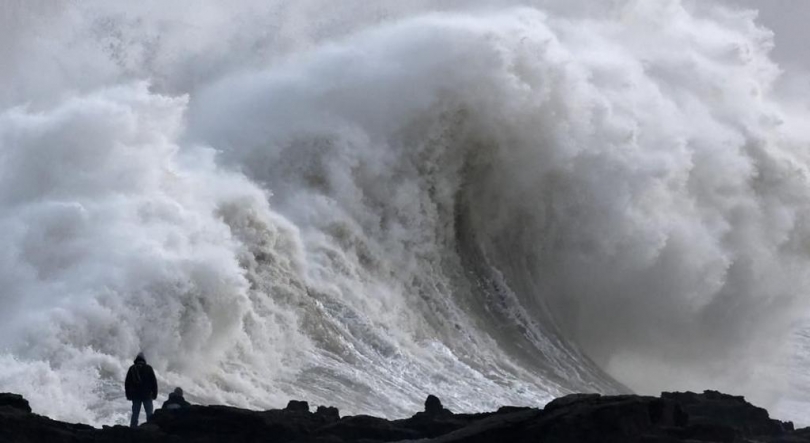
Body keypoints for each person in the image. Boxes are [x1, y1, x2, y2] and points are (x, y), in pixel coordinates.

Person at [124, 352, 158, 428]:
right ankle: (150, 428)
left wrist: (128, 395)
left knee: (135, 414)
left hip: (135, 395)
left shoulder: (132, 368)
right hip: (147, 395)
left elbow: (127, 383)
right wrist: (155, 394)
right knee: (149, 414)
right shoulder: (148, 368)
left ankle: (133, 429)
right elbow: (154, 382)